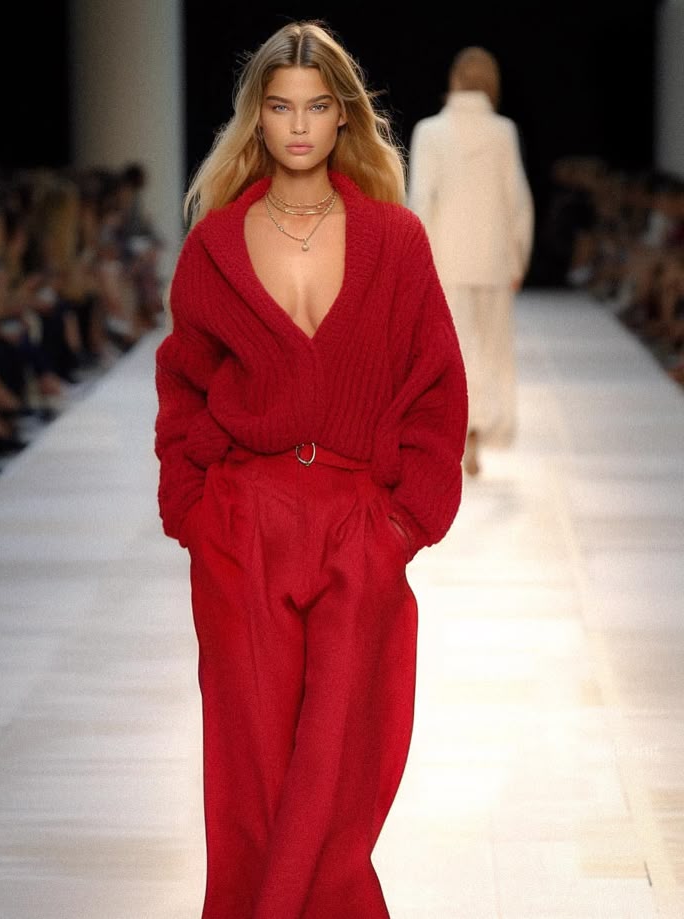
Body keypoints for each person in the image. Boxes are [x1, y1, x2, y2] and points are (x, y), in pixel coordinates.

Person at [154, 19, 468, 919]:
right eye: (281, 106)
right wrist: (194, 510)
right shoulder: (216, 244)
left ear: (343, 117)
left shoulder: (395, 240)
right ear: (257, 117)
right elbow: (184, 384)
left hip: (356, 520)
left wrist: (403, 524)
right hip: (243, 520)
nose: (298, 126)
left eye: (317, 106)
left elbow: (436, 386)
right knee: (249, 774)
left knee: (341, 772)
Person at [407, 45, 534, 476]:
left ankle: (457, 433)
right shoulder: (503, 132)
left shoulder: (430, 132)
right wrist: (517, 258)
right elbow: (517, 200)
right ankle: (477, 432)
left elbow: (421, 201)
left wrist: (415, 262)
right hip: (493, 258)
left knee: (452, 350)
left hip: (445, 258)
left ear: (454, 80)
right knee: (492, 350)